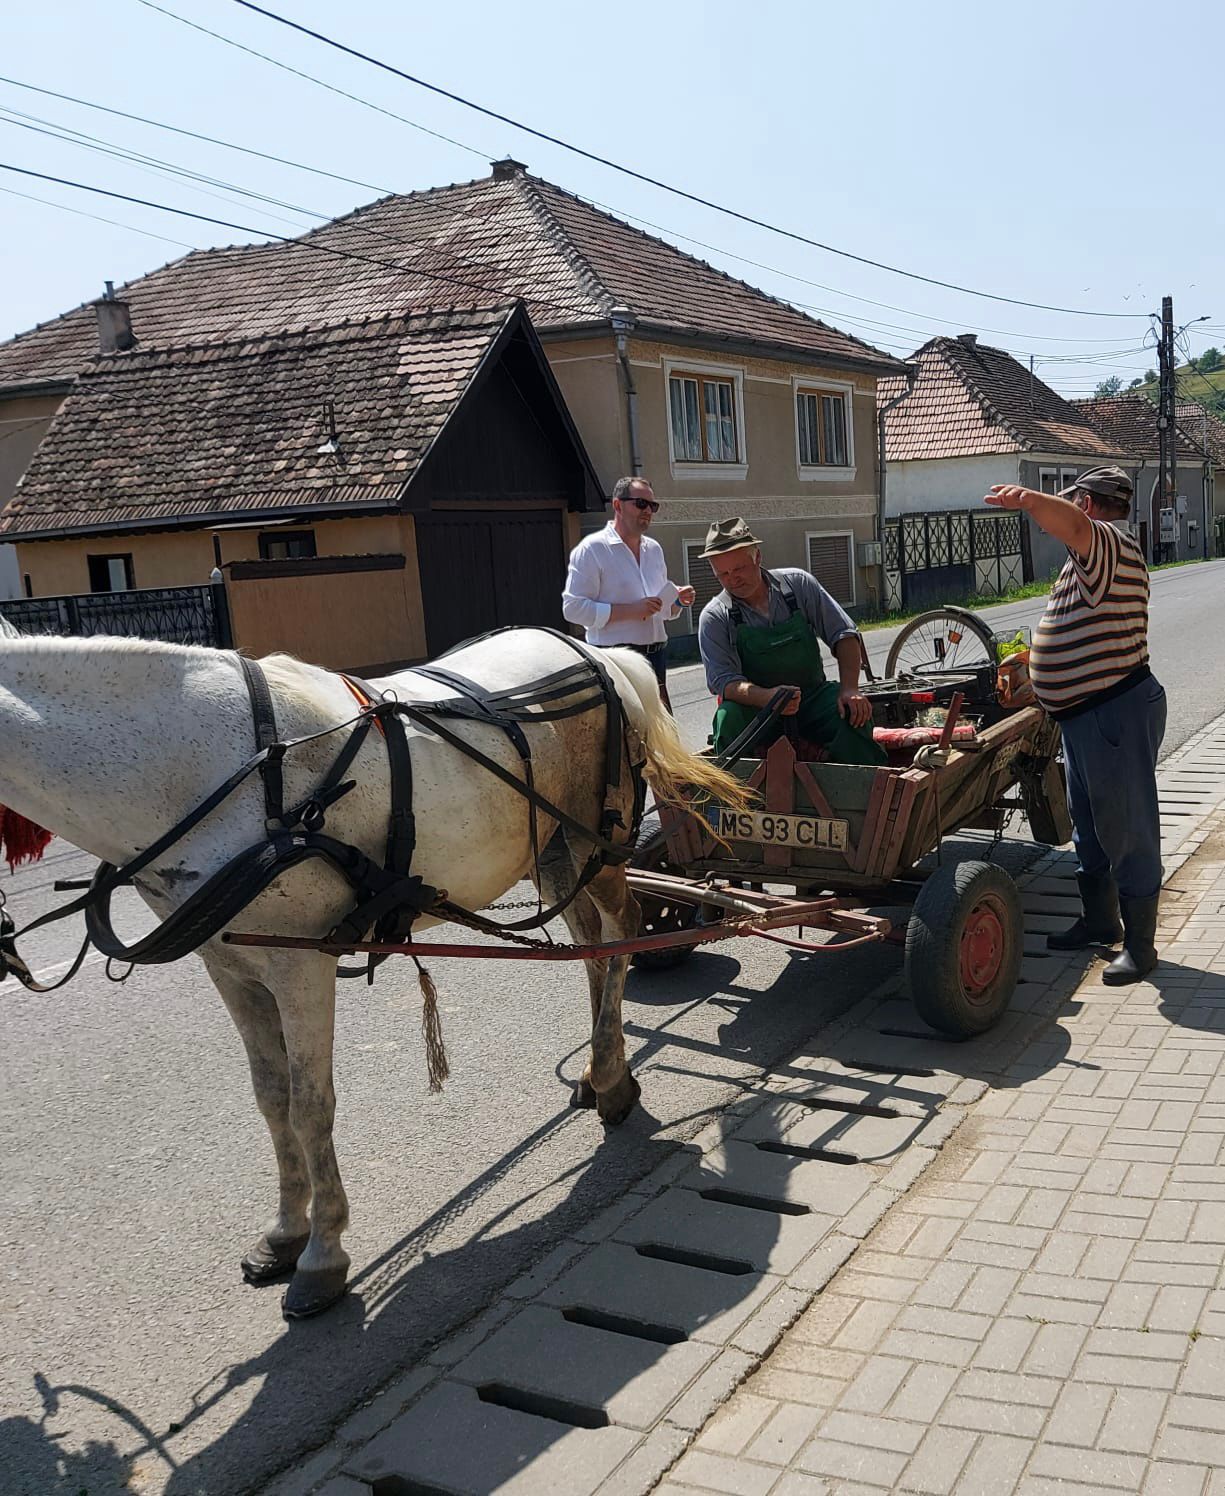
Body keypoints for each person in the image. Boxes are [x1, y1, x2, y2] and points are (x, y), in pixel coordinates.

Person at [984, 466, 1166, 986]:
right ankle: (1100, 922)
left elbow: (1074, 526)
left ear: (1086, 503)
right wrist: (1039, 661)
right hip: (1087, 714)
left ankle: (1140, 945)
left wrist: (1027, 498)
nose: (1053, 522)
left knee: (1126, 827)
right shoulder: (1093, 561)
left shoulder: (1106, 542)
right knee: (1090, 825)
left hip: (1114, 710)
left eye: (1069, 505)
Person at [696, 517, 885, 765]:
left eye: (739, 568)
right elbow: (724, 682)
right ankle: (736, 799)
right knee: (727, 718)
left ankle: (866, 792)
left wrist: (850, 688)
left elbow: (844, 635)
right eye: (723, 574)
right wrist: (769, 698)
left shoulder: (798, 585)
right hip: (758, 710)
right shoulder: (714, 617)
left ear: (757, 557)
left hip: (812, 699)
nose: (733, 579)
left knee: (853, 712)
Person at [561, 476, 694, 709]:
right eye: (640, 504)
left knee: (662, 738)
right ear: (617, 505)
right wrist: (630, 611)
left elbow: (660, 612)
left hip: (656, 657)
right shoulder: (592, 549)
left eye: (652, 506)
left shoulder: (654, 549)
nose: (648, 511)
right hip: (615, 659)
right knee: (627, 739)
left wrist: (677, 602)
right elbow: (572, 609)